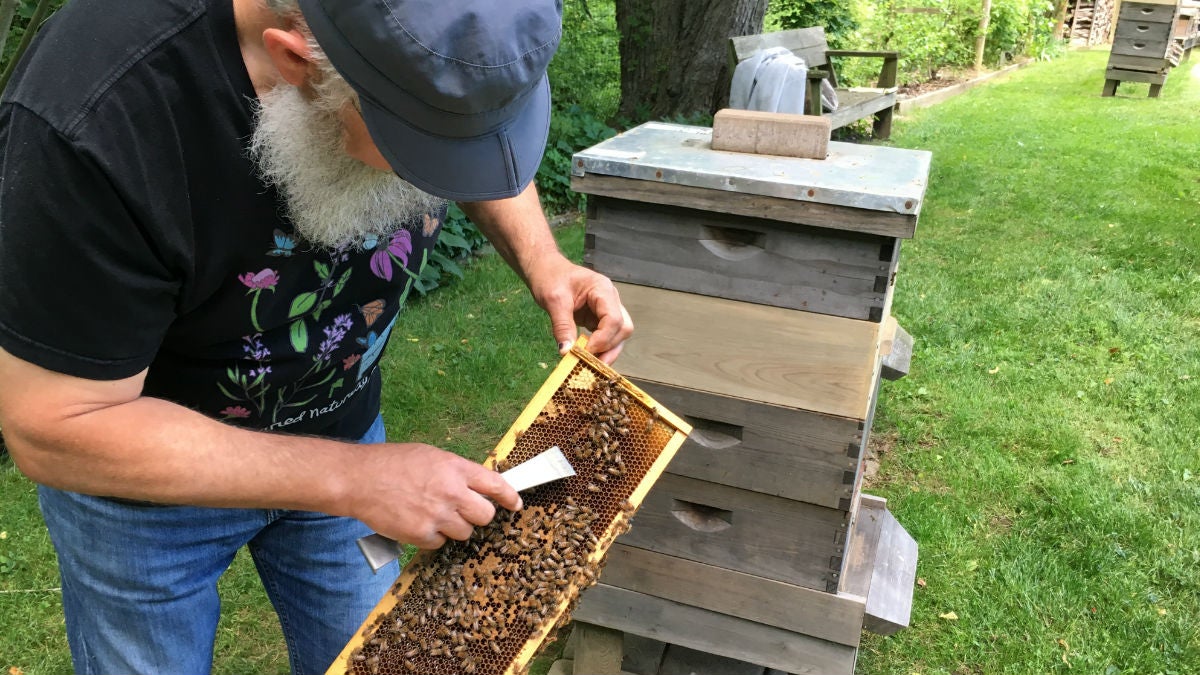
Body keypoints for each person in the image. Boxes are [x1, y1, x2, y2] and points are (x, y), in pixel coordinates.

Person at [0, 0, 632, 673]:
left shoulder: (439, 40)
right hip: (145, 489)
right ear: (296, 62)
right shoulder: (93, 116)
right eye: (418, 154)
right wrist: (354, 478)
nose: (438, 183)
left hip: (345, 432)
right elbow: (53, 425)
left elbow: (467, 124)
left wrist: (545, 261)